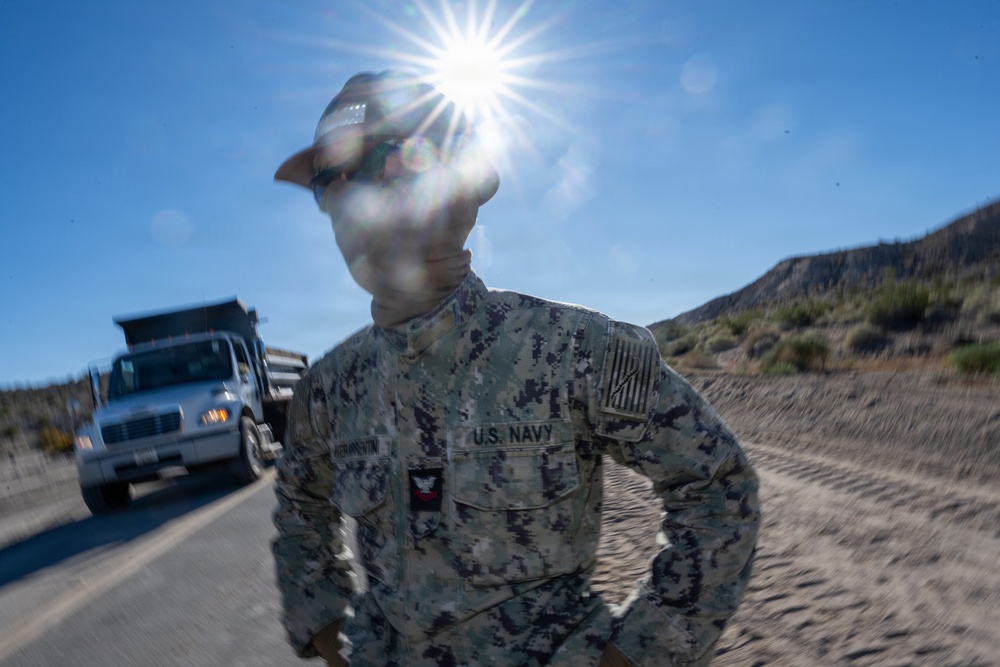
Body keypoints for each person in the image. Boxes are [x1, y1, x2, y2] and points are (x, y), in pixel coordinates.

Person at [271, 69, 760, 667]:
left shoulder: (581, 349)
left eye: (378, 166)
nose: (350, 204)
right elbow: (299, 509)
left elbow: (717, 486)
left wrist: (638, 654)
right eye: (330, 184)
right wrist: (328, 634)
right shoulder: (328, 388)